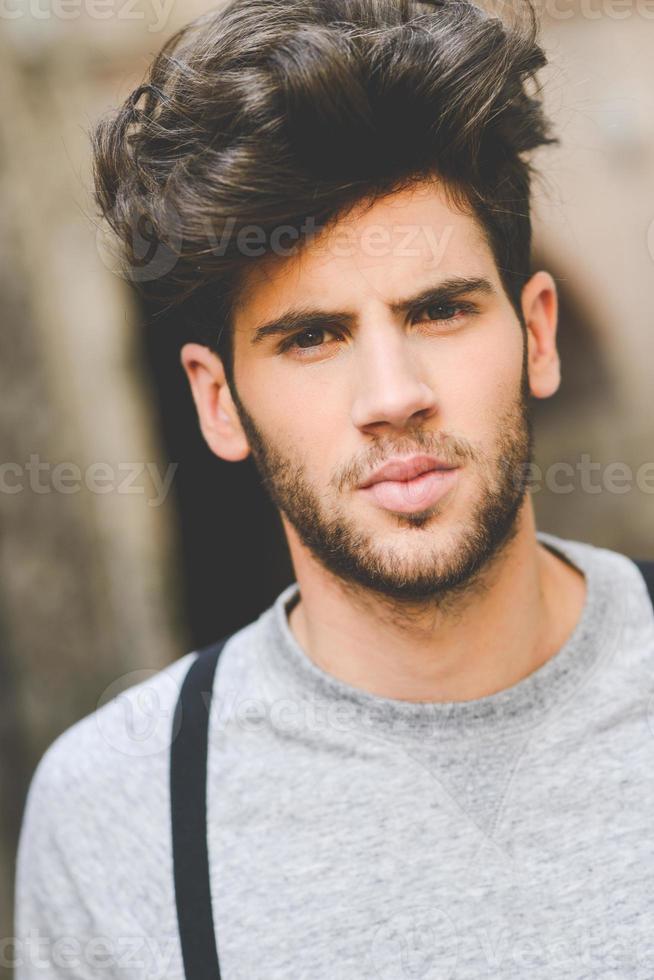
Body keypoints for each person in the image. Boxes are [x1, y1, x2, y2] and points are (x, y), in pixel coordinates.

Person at [14, 0, 654, 977]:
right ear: (219, 402)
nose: (393, 397)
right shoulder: (119, 807)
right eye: (312, 336)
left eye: (439, 310)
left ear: (536, 333)